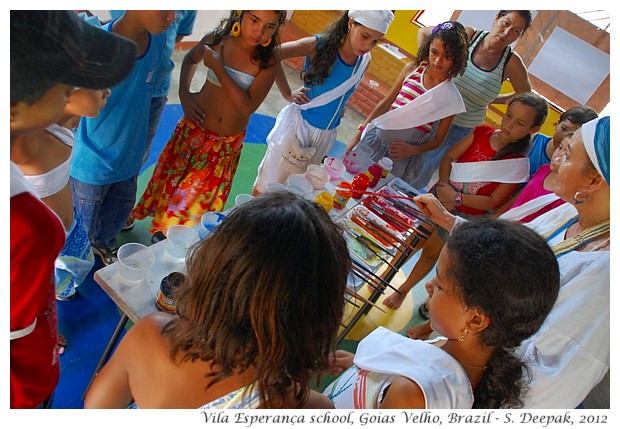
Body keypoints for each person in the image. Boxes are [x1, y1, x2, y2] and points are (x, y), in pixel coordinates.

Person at [407, 115, 610, 408]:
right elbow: (505, 254)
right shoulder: (569, 215)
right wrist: (449, 221)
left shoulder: (604, 282)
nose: (556, 159)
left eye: (568, 153)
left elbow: (544, 389)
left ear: (594, 180)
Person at [84, 192, 351, 408]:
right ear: (317, 318)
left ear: (211, 269)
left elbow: (95, 409)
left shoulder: (150, 335)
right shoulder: (289, 401)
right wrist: (294, 362)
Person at [10, 10, 135, 408]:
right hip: (23, 388)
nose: (71, 93)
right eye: (64, 85)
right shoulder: (21, 222)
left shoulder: (30, 134)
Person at [324, 217, 560, 408]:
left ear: (475, 319)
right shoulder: (466, 349)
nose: (428, 285)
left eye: (439, 284)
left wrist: (301, 401)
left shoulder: (412, 395)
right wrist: (365, 372)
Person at [131, 10, 287, 243]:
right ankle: (163, 233)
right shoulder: (217, 41)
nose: (260, 31)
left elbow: (246, 106)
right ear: (240, 14)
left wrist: (218, 66)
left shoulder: (268, 62)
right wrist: (185, 93)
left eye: (270, 26)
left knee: (196, 200)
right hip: (193, 131)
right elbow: (190, 60)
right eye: (254, 20)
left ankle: (171, 237)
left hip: (224, 147)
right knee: (174, 186)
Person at [383, 92, 548, 310]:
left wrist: (457, 199)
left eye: (519, 123)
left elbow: (492, 201)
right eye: (508, 115)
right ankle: (386, 273)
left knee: (432, 251)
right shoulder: (481, 132)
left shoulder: (518, 163)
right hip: (440, 194)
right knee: (414, 236)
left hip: (464, 214)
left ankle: (403, 289)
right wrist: (443, 186)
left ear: (533, 130)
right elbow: (450, 157)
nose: (509, 124)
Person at [70, 11, 174, 264]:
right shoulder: (96, 45)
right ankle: (70, 270)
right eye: (164, 8)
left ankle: (103, 244)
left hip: (129, 160)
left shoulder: (157, 41)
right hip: (92, 165)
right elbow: (70, 109)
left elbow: (150, 95)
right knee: (80, 226)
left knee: (116, 215)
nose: (171, 17)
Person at [252, 10, 395, 194]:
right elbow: (272, 55)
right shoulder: (318, 45)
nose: (368, 46)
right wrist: (287, 93)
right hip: (299, 128)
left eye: (376, 41)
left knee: (295, 189)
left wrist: (337, 107)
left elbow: (344, 88)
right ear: (351, 23)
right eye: (365, 36)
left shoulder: (364, 60)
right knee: (268, 182)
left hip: (327, 135)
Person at [413, 10, 533, 190]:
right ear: (497, 18)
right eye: (506, 23)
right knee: (403, 154)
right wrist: (427, 68)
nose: (507, 32)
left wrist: (493, 99)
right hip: (431, 112)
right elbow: (423, 33)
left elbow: (526, 96)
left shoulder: (511, 63)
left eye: (516, 31)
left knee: (423, 169)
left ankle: (396, 206)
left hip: (460, 126)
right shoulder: (468, 36)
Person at [12, 88, 112, 302]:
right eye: (99, 86)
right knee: (40, 290)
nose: (107, 91)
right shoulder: (28, 139)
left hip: (70, 226)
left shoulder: (68, 118)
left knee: (75, 269)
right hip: (42, 239)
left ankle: (61, 293)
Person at [346, 20, 468, 187]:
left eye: (448, 56)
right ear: (428, 48)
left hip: (400, 157)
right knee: (351, 180)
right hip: (376, 141)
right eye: (434, 52)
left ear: (458, 59)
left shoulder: (450, 97)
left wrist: (412, 150)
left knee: (377, 191)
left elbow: (439, 139)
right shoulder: (412, 70)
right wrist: (359, 133)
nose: (438, 60)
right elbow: (385, 104)